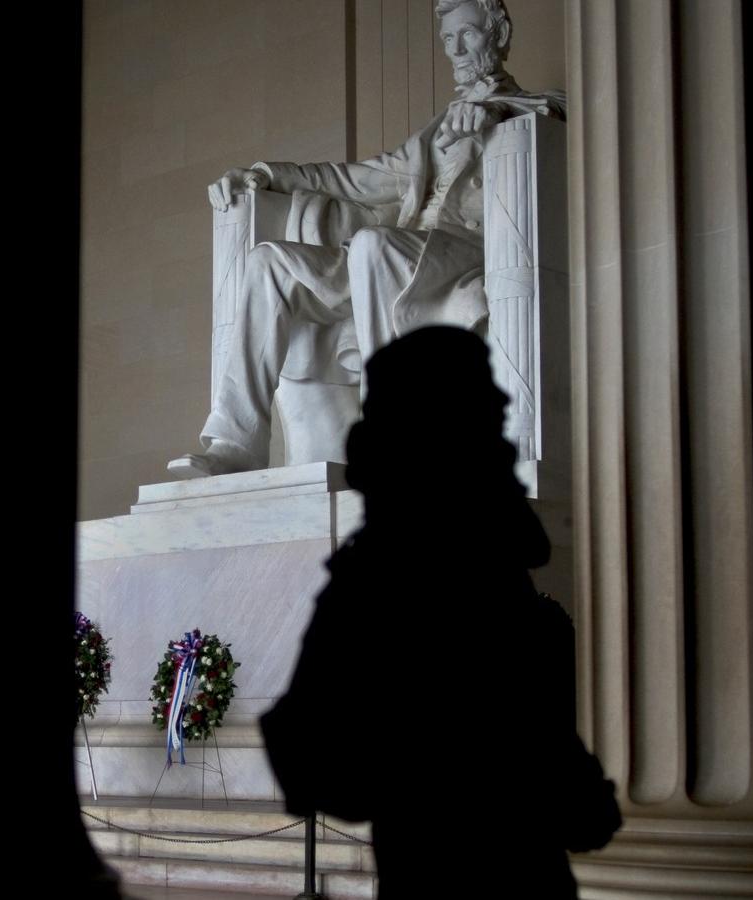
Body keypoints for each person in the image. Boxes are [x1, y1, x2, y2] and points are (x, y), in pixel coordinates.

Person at [260, 327, 620, 898]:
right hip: (440, 867)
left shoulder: (485, 558)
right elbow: (309, 748)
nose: (503, 403)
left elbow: (527, 715)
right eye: (482, 391)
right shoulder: (386, 573)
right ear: (442, 415)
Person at [168, 0, 565, 478]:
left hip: (463, 256)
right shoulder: (432, 135)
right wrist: (265, 174)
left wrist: (496, 111)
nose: (456, 49)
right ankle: (236, 442)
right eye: (446, 39)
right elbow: (353, 179)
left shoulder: (532, 107)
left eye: (468, 34)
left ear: (499, 34)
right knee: (268, 261)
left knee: (376, 245)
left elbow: (558, 112)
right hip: (388, 258)